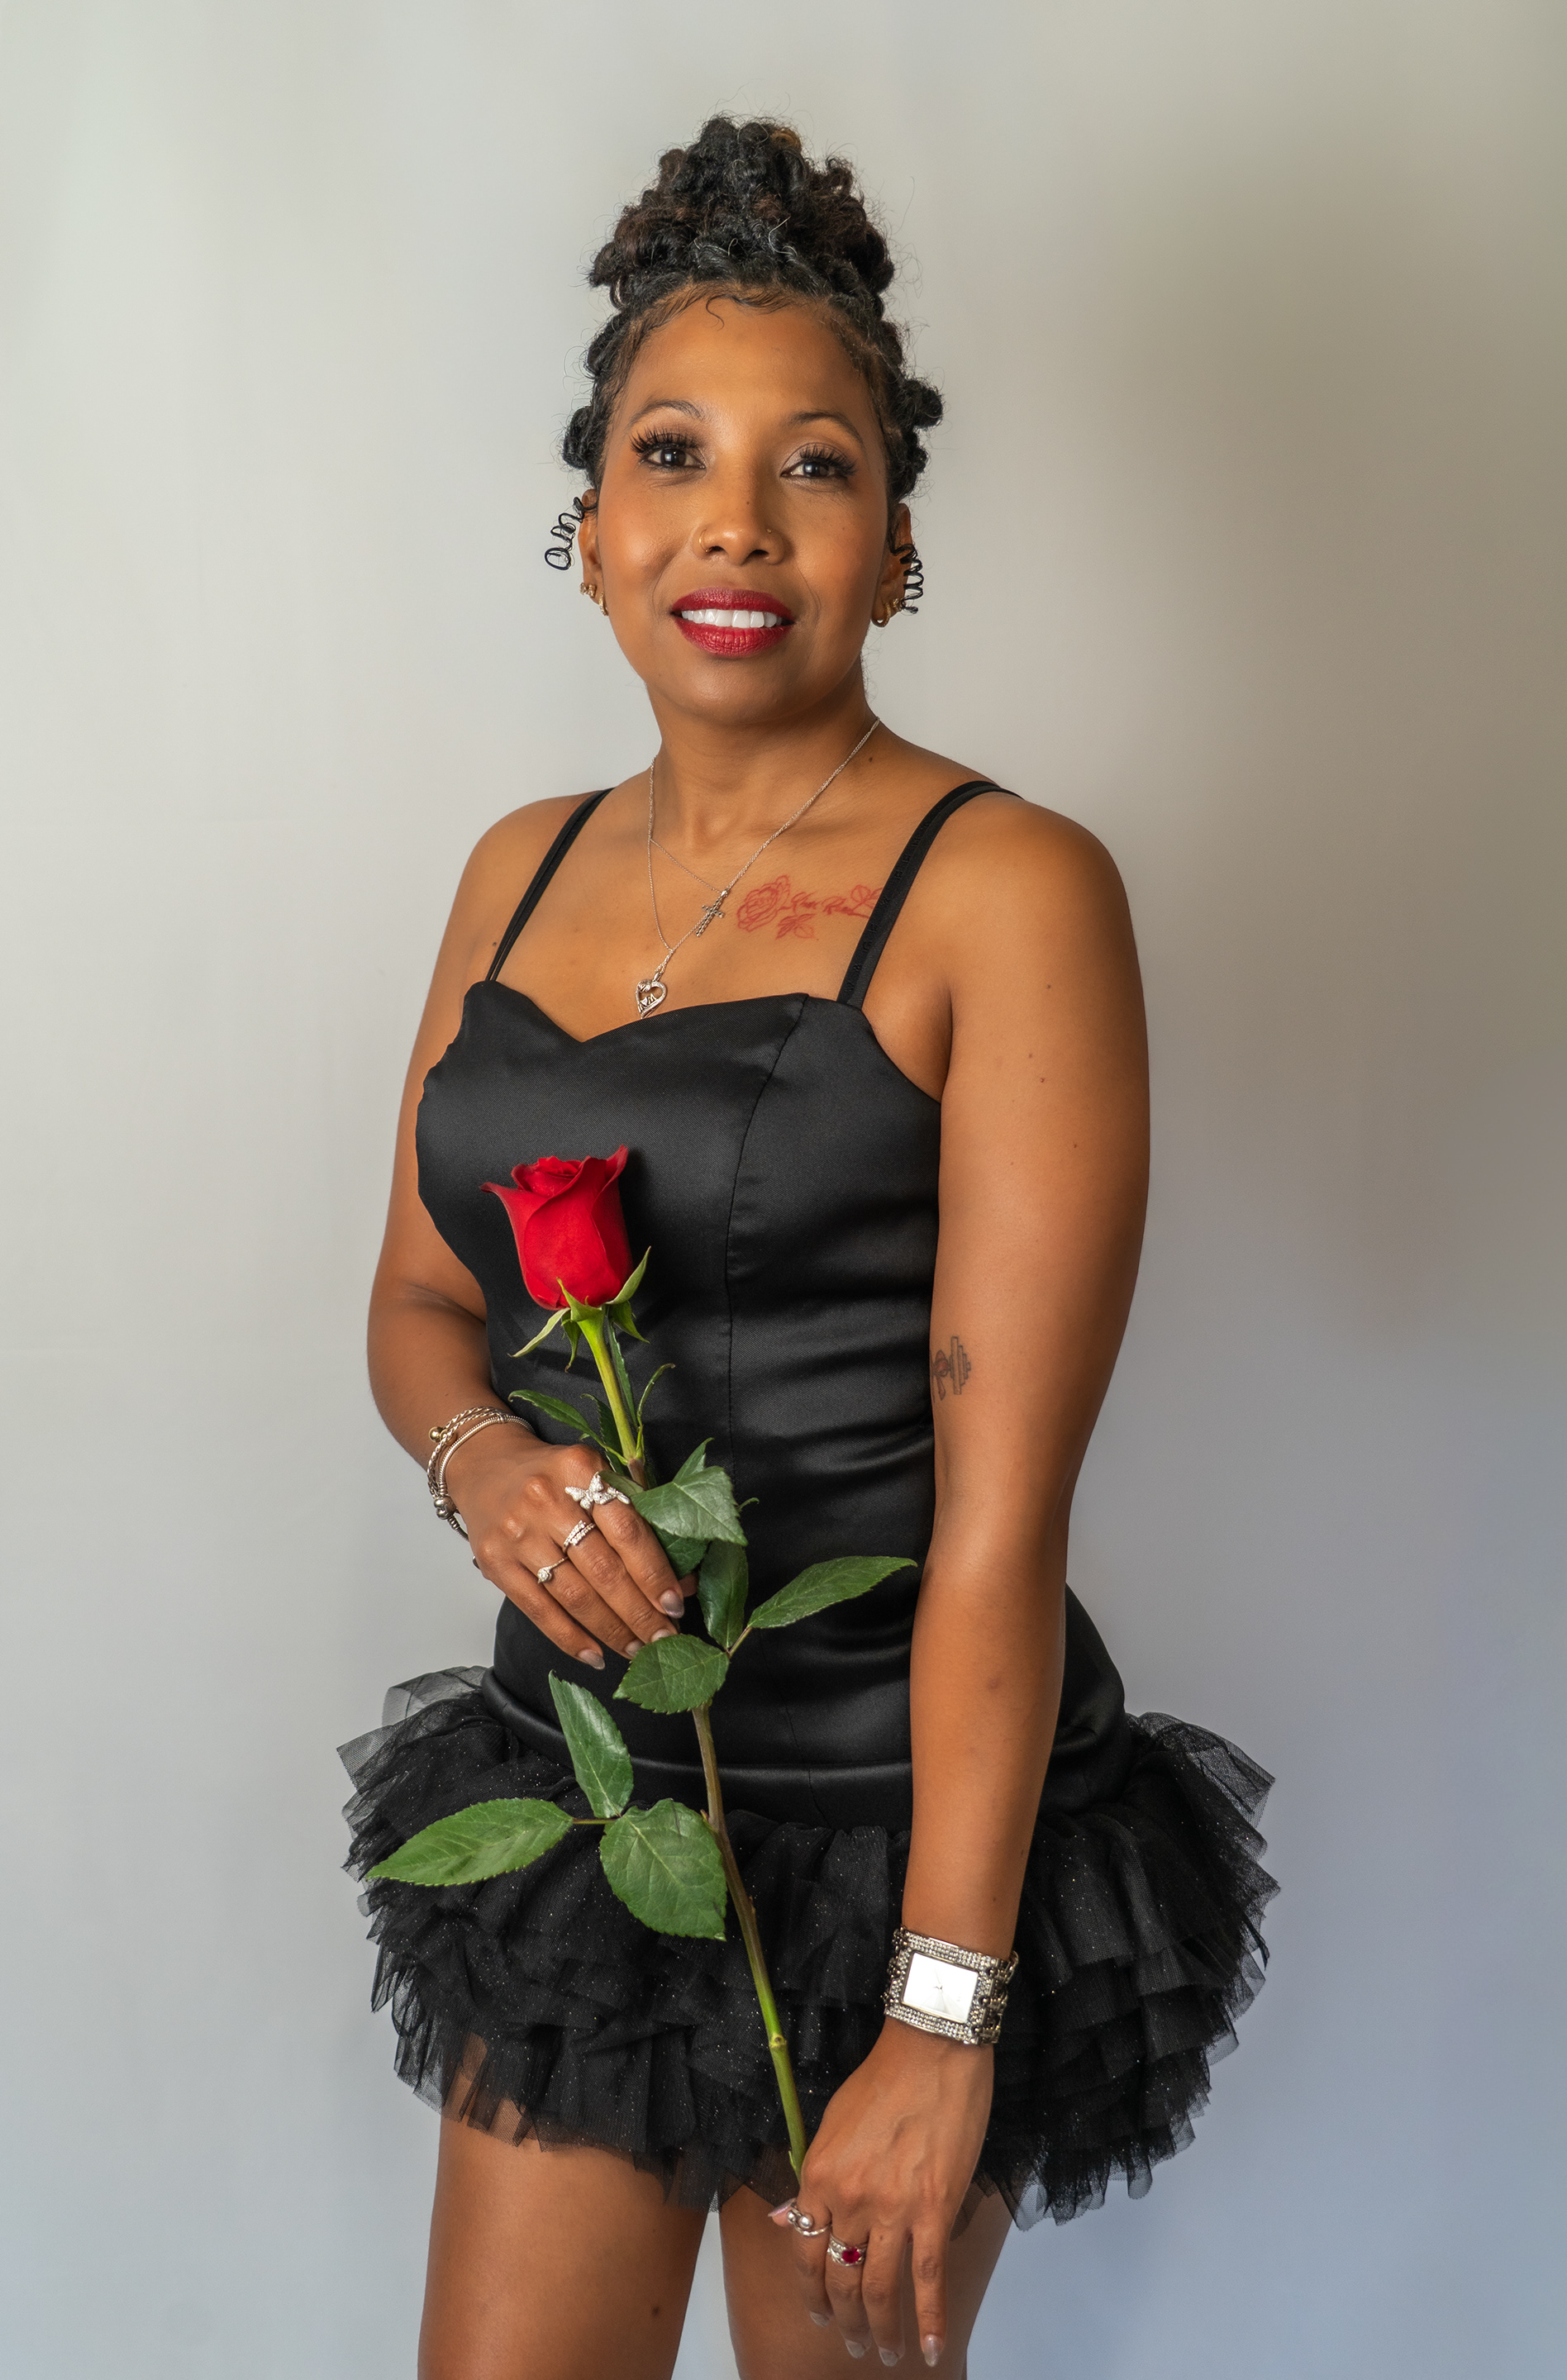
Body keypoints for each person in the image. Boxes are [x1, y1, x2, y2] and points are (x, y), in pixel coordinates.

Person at [344, 117, 1274, 2380]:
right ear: (590, 530)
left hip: (891, 1847)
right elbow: (418, 1300)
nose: (736, 524)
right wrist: (478, 1464)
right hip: (588, 1803)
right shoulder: (512, 870)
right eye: (674, 453)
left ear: (897, 541)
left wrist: (947, 2018)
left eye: (817, 466)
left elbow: (999, 1510)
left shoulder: (1011, 892)